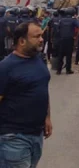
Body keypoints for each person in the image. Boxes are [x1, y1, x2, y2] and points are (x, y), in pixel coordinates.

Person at [0, 22, 52, 168]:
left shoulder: (39, 60)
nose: (42, 39)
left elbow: (43, 88)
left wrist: (47, 117)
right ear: (22, 41)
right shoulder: (6, 67)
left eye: (41, 35)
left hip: (36, 134)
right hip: (13, 138)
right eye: (37, 36)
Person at [57, 7, 79, 75]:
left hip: (61, 39)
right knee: (69, 55)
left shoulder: (61, 20)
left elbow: (58, 29)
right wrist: (76, 37)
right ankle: (68, 70)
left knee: (60, 55)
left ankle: (59, 70)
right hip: (70, 40)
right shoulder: (74, 20)